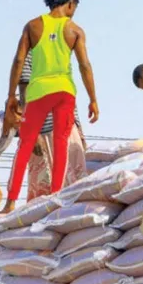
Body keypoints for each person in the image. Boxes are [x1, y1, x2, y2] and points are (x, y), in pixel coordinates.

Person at [2, 0, 99, 214]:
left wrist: (10, 96)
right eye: (74, 6)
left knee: (25, 145)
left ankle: (10, 202)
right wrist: (93, 99)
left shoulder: (33, 26)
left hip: (38, 92)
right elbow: (85, 66)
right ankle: (56, 196)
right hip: (65, 92)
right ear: (70, 3)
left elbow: (18, 60)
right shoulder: (75, 30)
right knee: (61, 143)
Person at [19, 53, 88, 202]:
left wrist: (80, 132)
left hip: (68, 130)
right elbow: (25, 97)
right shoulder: (30, 56)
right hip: (44, 133)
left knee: (75, 188)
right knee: (45, 193)